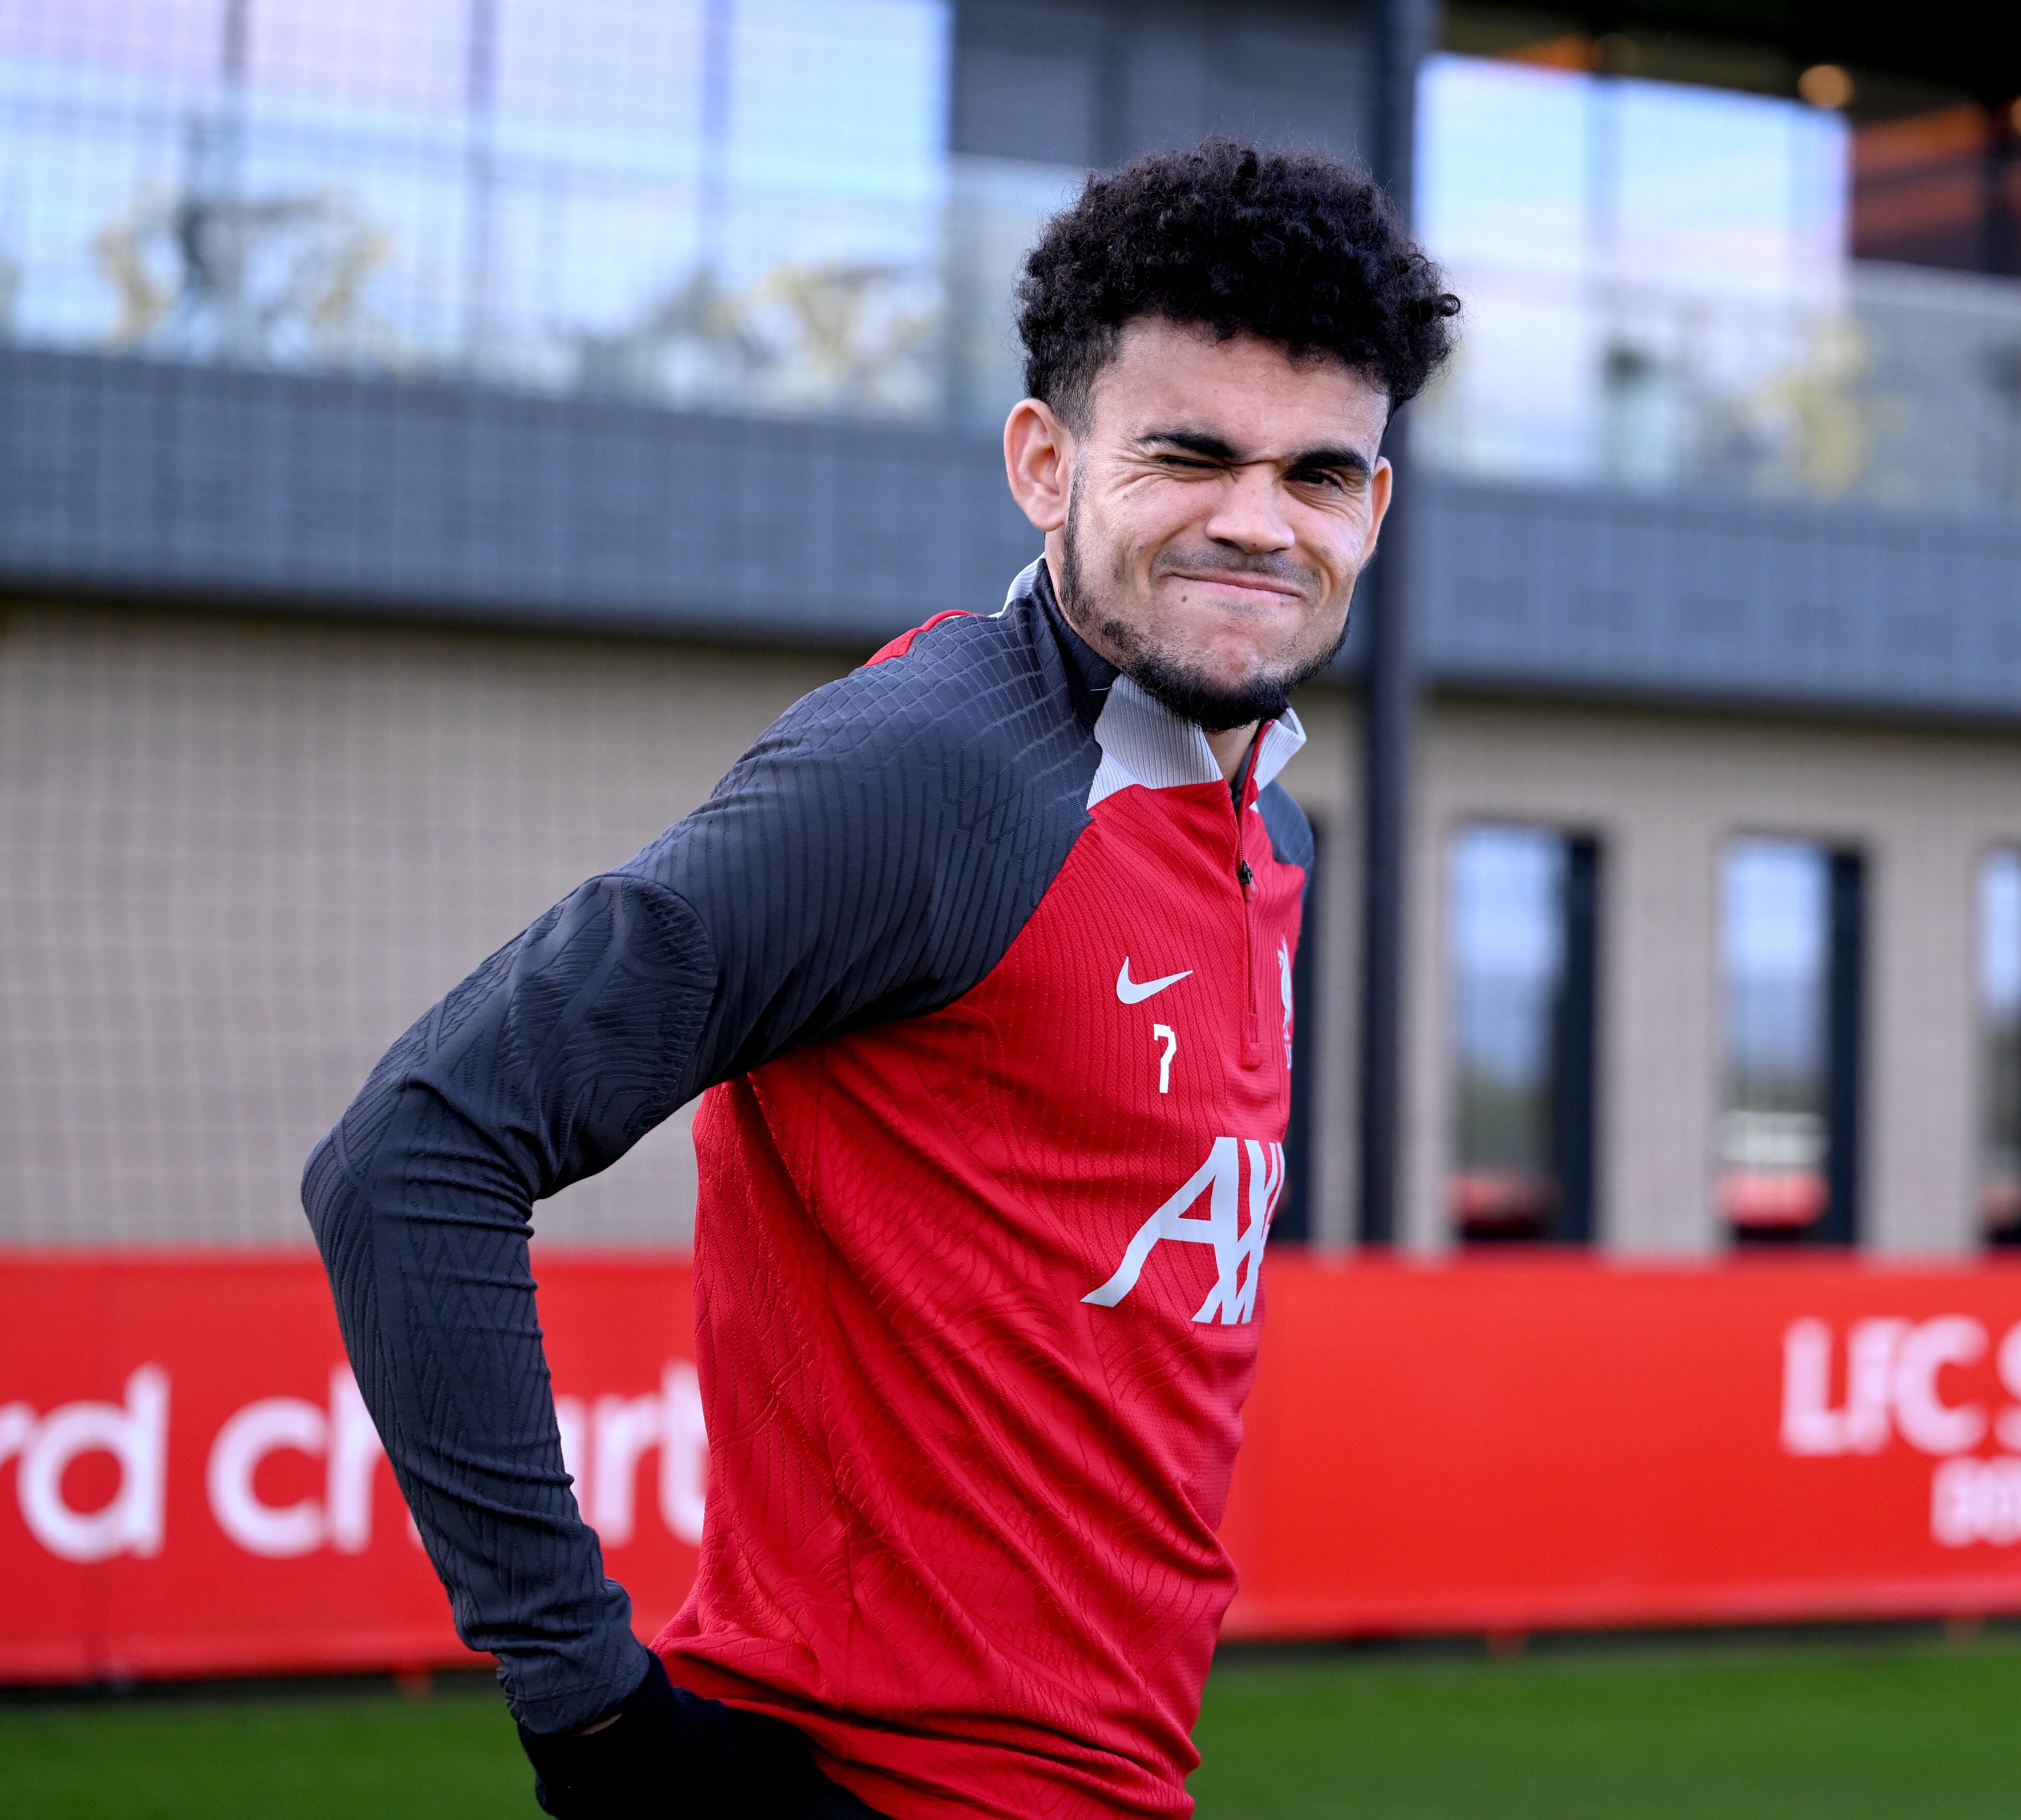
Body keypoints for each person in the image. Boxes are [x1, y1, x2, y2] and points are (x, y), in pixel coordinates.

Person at [303, 137, 1457, 1819]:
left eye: (1319, 474)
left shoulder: (1261, 832)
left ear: (1376, 505)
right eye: (1188, 456)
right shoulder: (932, 771)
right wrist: (596, 1723)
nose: (1255, 523)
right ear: (1044, 463)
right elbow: (413, 1155)